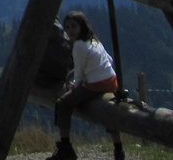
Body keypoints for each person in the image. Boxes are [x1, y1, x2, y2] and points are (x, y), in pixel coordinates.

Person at [48, 10, 125, 160]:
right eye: (67, 27)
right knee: (112, 111)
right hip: (111, 81)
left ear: (81, 27)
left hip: (96, 85)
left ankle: (66, 148)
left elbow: (79, 71)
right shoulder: (94, 41)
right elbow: (109, 60)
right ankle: (118, 150)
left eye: (73, 27)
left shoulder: (78, 46)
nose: (70, 31)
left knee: (63, 104)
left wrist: (76, 87)